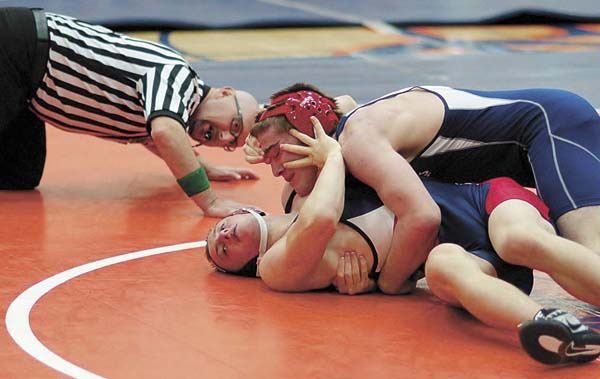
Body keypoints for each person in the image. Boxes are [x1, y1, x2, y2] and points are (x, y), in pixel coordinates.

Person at [208, 116, 600, 365]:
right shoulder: (277, 268)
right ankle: (549, 325)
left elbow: (329, 115)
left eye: (218, 230)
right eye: (222, 252)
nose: (222, 236)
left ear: (247, 212)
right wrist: (332, 157)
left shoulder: (295, 192)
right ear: (247, 267)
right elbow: (322, 217)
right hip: (473, 257)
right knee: (442, 265)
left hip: (487, 201)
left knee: (517, 238)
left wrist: (261, 136)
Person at [246, 82, 600, 293]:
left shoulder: (357, 142)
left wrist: (387, 284)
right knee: (575, 269)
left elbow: (422, 216)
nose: (276, 169)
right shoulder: (348, 127)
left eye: (278, 154)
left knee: (588, 256)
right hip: (530, 149)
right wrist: (262, 135)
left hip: (550, 128)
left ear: (311, 133)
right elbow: (341, 102)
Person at [0, 7, 260, 217]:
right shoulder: (177, 76)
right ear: (225, 93)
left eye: (231, 143)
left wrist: (205, 168)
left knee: (21, 174)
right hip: (16, 48)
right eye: (234, 126)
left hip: (26, 88)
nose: (225, 138)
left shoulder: (175, 107)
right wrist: (209, 200)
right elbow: (165, 134)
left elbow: (158, 135)